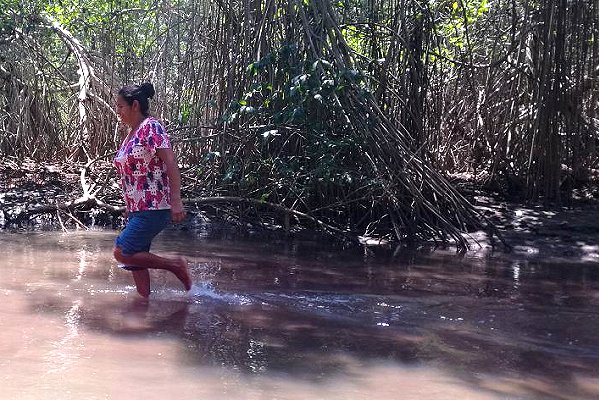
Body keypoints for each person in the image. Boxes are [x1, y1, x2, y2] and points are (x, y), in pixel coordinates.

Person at [112, 82, 192, 297]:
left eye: (120, 106)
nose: (117, 111)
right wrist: (128, 204)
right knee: (136, 259)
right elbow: (132, 173)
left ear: (135, 105)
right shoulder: (131, 134)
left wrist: (176, 200)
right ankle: (143, 303)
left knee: (122, 252)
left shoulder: (151, 127)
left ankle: (175, 265)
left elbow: (171, 162)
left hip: (155, 206)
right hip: (138, 208)